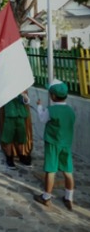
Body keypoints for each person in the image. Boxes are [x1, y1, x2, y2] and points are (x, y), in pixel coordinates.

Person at [33, 79, 76, 210]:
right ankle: (69, 197)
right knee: (68, 171)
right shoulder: (71, 111)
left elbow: (42, 118)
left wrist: (39, 106)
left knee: (51, 170)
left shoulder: (51, 110)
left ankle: (46, 197)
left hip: (52, 144)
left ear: (52, 96)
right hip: (66, 144)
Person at [0, 92, 32, 169]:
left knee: (21, 138)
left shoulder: (21, 89)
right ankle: (9, 157)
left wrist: (23, 95)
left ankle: (22, 156)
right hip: (10, 116)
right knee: (8, 138)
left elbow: (27, 101)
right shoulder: (6, 89)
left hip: (20, 116)